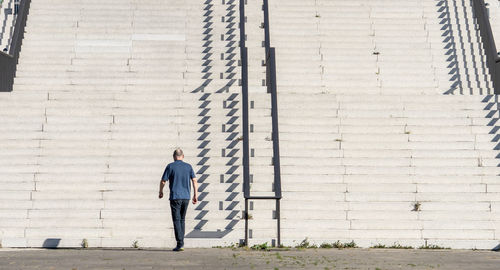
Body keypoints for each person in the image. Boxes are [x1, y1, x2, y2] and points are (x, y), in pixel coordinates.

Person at [159, 149, 198, 251]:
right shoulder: (188, 166)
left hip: (175, 197)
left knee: (176, 220)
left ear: (174, 156)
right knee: (182, 219)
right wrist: (195, 195)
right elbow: (194, 180)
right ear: (183, 156)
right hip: (186, 197)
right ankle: (181, 242)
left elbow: (163, 181)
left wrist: (160, 191)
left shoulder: (170, 166)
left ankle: (180, 243)